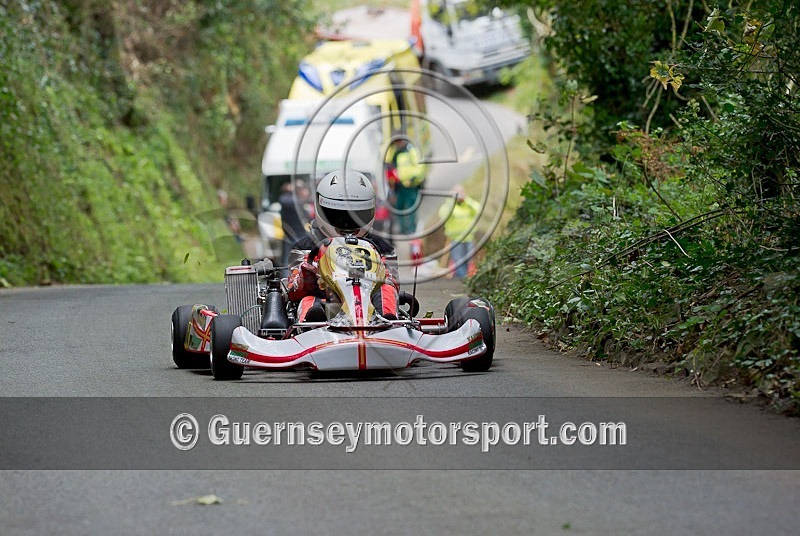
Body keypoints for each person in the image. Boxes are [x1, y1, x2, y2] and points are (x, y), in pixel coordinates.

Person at [287, 170, 400, 322]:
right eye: (338, 216)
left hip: (369, 307)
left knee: (386, 290)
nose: (346, 223)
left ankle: (389, 323)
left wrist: (376, 275)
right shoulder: (305, 247)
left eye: (356, 216)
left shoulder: (381, 248)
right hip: (326, 306)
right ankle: (310, 326)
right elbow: (293, 290)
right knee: (309, 300)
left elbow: (392, 283)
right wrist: (308, 277)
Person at [438, 185, 480, 279]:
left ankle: (465, 276)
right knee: (458, 260)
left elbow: (478, 209)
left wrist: (467, 200)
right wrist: (452, 201)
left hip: (468, 237)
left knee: (468, 259)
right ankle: (461, 277)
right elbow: (442, 214)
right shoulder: (449, 205)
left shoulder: (468, 204)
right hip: (455, 238)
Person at [278, 179, 311, 276]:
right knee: (289, 260)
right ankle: (287, 278)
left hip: (298, 235)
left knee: (297, 259)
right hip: (291, 235)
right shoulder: (290, 200)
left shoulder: (295, 200)